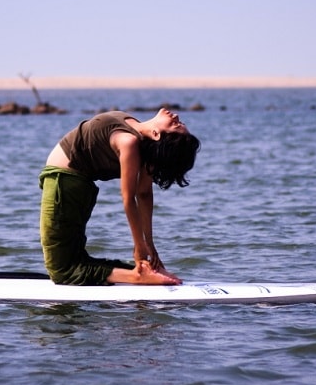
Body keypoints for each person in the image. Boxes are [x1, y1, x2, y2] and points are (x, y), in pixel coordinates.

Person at [38, 108, 200, 285]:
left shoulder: (128, 142)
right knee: (74, 258)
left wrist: (142, 246)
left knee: (62, 271)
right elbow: (143, 194)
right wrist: (147, 248)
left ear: (156, 134)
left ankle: (137, 276)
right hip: (75, 186)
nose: (176, 116)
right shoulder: (142, 143)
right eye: (179, 123)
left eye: (176, 125)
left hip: (63, 183)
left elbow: (131, 198)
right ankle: (145, 269)